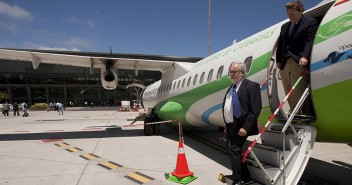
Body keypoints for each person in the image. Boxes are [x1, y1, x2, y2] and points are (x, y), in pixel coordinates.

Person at [222, 62, 262, 185]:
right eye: (230, 72)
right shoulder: (232, 88)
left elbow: (255, 109)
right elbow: (229, 107)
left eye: (234, 72)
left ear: (243, 73)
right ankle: (246, 176)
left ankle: (237, 180)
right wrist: (226, 123)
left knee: (234, 149)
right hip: (231, 126)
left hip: (242, 126)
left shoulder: (252, 86)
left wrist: (246, 127)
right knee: (232, 150)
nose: (231, 74)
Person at [276, 0, 318, 116]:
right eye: (288, 15)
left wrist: (305, 56)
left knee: (298, 89)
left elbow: (310, 40)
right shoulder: (285, 27)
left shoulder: (310, 22)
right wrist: (279, 60)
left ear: (300, 11)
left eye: (292, 14)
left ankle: (300, 113)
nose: (290, 17)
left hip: (298, 61)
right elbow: (280, 45)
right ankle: (295, 111)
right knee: (288, 89)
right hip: (285, 62)